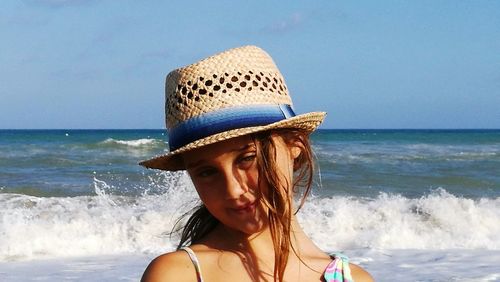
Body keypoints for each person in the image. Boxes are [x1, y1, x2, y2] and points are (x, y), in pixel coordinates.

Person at [140, 46, 373, 282]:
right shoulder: (178, 274)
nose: (233, 190)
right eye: (207, 172)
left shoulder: (351, 278)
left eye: (247, 159)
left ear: (295, 146)